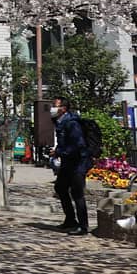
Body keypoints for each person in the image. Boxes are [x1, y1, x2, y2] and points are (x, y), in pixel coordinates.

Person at [50, 96, 91, 235]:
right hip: (68, 163)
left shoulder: (72, 123)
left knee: (77, 193)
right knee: (60, 187)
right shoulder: (60, 121)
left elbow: (78, 145)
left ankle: (83, 226)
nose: (52, 108)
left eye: (55, 106)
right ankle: (70, 220)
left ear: (63, 108)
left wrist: (58, 152)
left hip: (79, 163)